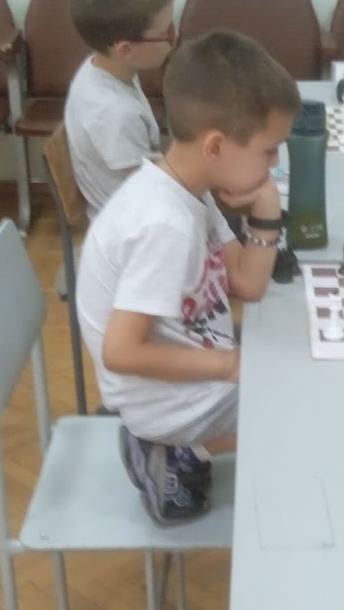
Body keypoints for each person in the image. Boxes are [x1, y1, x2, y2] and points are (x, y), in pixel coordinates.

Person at [77, 30, 298, 525]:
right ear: (216, 145)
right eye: (269, 151)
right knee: (316, 405)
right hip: (166, 400)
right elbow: (121, 352)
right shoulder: (165, 225)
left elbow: (248, 284)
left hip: (191, 369)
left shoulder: (187, 187)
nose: (275, 164)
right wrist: (230, 365)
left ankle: (187, 449)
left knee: (307, 373)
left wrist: (266, 209)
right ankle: (176, 451)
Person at [64, 0, 176, 214]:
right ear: (126, 49)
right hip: (132, 221)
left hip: (143, 194)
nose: (175, 37)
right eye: (167, 33)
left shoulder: (103, 66)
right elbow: (147, 187)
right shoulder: (114, 113)